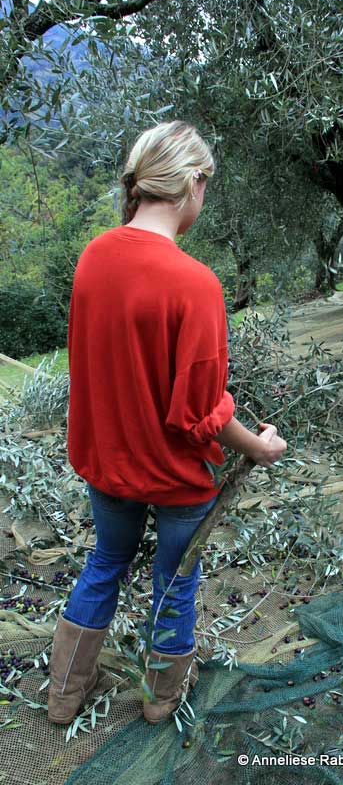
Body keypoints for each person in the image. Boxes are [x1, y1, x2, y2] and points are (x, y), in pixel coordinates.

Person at [47, 120, 287, 727]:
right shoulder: (195, 284)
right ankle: (159, 700)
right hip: (178, 479)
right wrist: (257, 447)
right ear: (193, 183)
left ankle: (64, 694)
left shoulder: (93, 258)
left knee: (106, 561)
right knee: (175, 580)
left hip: (109, 465)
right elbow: (198, 415)